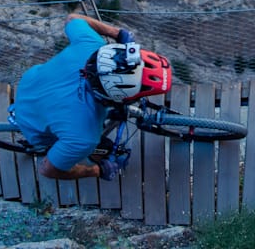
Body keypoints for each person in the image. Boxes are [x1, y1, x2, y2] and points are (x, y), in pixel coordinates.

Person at [14, 12, 171, 182]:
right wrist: (96, 170)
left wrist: (117, 33)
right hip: (31, 124)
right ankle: (49, 144)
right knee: (98, 147)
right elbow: (47, 169)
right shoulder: (84, 136)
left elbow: (72, 18)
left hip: (31, 83)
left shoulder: (91, 46)